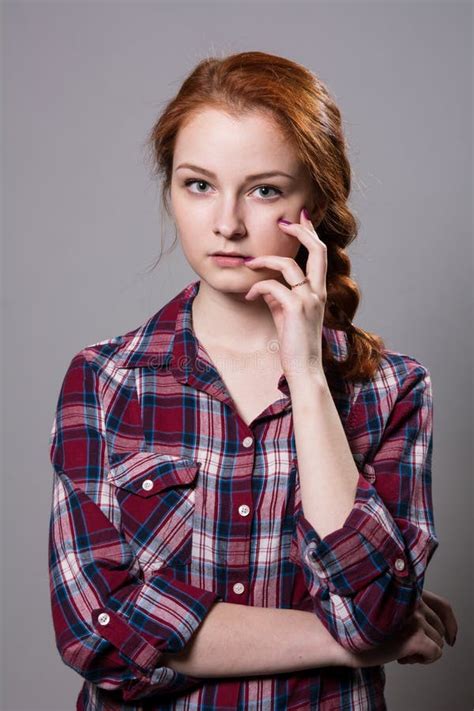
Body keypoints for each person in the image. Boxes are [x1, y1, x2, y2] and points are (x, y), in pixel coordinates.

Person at [48, 50, 458, 711]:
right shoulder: (104, 381)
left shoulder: (392, 390)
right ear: (170, 188)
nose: (227, 222)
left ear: (314, 202)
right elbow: (102, 636)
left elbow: (372, 606)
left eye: (264, 189)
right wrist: (350, 642)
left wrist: (307, 376)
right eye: (198, 184)